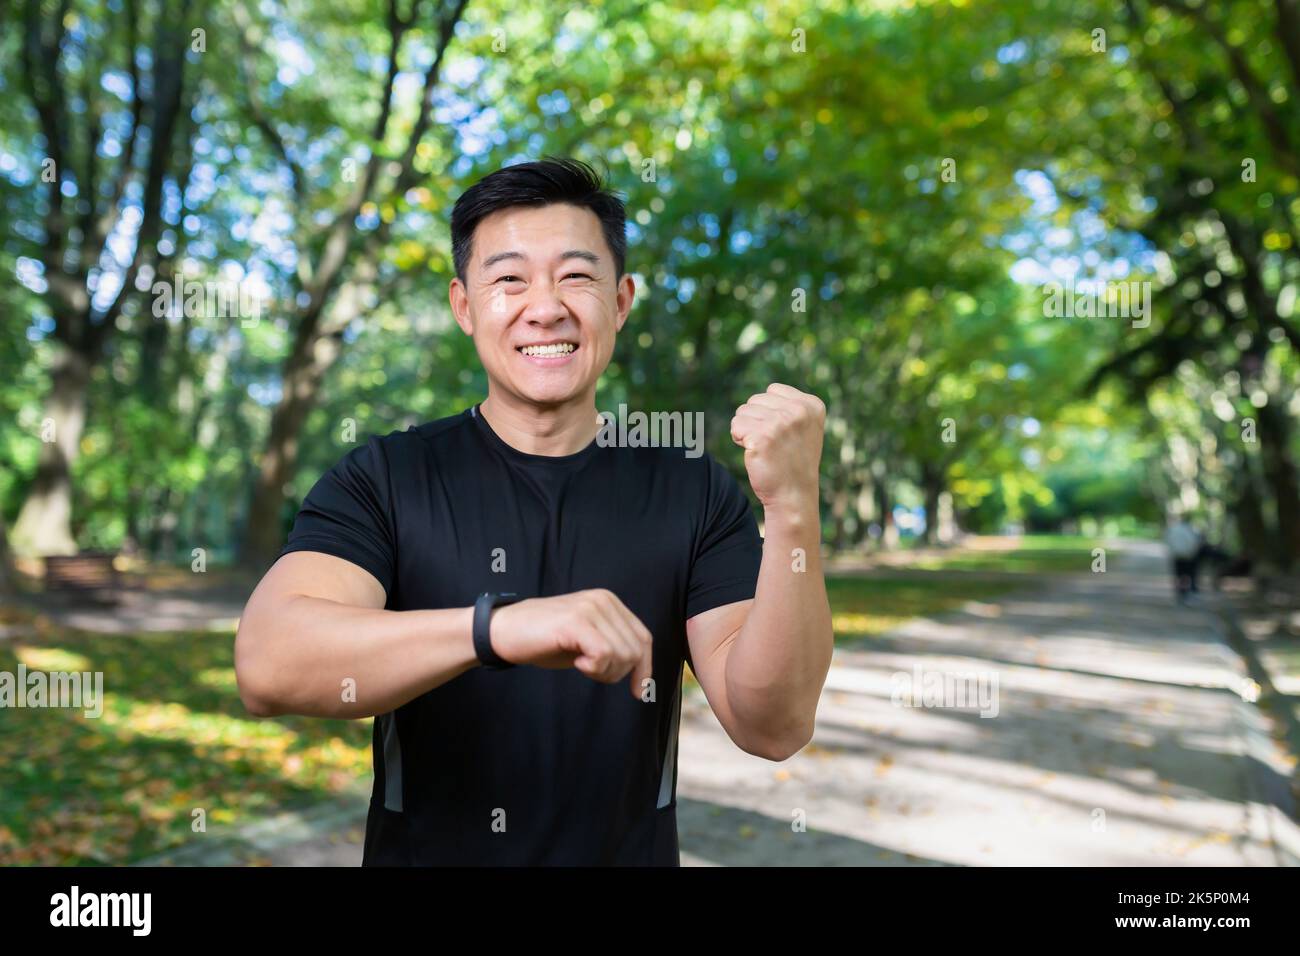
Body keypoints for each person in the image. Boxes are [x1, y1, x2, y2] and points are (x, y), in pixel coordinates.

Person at [233, 158, 834, 865]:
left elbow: (773, 725)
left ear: (621, 301)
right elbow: (268, 665)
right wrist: (498, 629)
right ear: (464, 306)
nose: (544, 306)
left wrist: (793, 506)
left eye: (577, 276)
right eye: (509, 279)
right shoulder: (386, 478)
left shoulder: (692, 491)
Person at [1164, 512, 1203, 603]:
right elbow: (1195, 542)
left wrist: (1172, 551)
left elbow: (1168, 541)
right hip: (1188, 556)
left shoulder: (1173, 529)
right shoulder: (1191, 530)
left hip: (1177, 555)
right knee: (1187, 574)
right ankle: (1186, 592)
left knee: (1179, 574)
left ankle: (1181, 591)